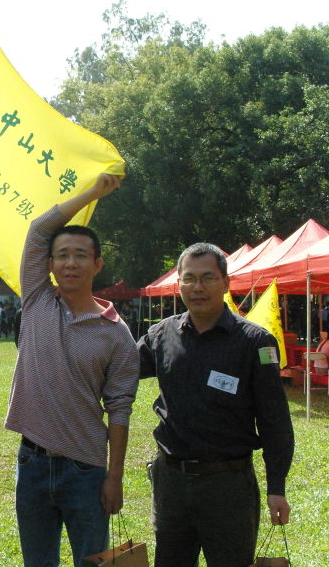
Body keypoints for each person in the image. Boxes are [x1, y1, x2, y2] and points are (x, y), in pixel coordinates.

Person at [5, 173, 139, 567]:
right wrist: (94, 193)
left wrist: (114, 477)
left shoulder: (116, 334)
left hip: (87, 470)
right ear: (49, 264)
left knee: (92, 561)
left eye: (81, 255)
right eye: (62, 255)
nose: (70, 262)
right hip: (31, 463)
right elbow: (38, 229)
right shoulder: (36, 299)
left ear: (97, 263)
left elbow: (120, 408)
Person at [137, 242, 294, 567]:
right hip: (172, 483)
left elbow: (274, 420)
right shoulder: (162, 335)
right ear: (178, 283)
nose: (198, 287)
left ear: (225, 282)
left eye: (207, 277)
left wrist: (276, 487)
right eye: (189, 278)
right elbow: (115, 369)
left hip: (228, 486)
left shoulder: (254, 342)